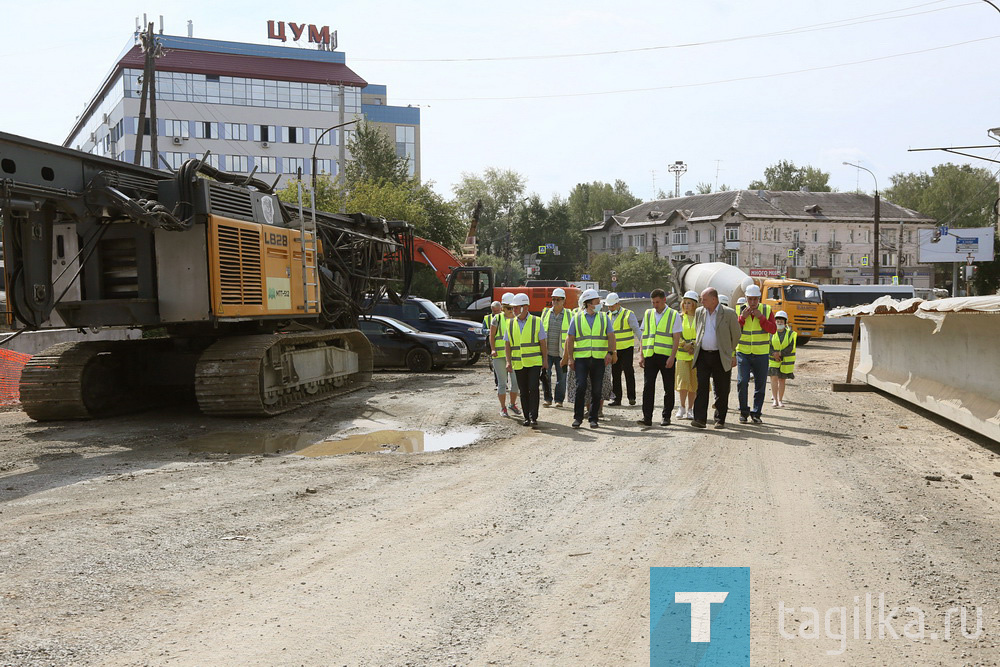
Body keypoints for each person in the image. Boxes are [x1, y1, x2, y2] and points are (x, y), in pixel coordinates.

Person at [563, 289, 616, 429]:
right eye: (597, 301)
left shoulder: (604, 318)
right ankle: (578, 418)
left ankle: (594, 418)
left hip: (599, 359)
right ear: (588, 303)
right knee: (581, 387)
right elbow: (570, 338)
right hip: (581, 359)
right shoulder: (577, 318)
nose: (599, 303)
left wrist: (610, 353)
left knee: (597, 389)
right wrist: (570, 358)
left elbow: (611, 336)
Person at [691, 287, 742, 429]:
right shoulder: (699, 312)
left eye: (704, 299)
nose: (701, 301)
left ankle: (720, 419)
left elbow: (736, 334)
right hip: (703, 355)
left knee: (722, 388)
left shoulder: (729, 313)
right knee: (701, 387)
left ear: (714, 300)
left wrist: (729, 351)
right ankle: (700, 419)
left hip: (720, 356)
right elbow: (698, 330)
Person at [636, 288, 682, 427]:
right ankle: (647, 418)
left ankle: (666, 416)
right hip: (650, 355)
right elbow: (644, 336)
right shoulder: (648, 313)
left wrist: (672, 357)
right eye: (653, 302)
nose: (655, 305)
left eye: (657, 302)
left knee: (668, 388)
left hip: (666, 356)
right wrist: (641, 354)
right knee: (648, 386)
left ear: (664, 300)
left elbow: (676, 339)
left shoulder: (674, 315)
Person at [736, 284, 776, 424]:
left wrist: (761, 318)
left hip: (761, 353)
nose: (752, 302)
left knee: (760, 385)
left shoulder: (766, 310)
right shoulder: (738, 310)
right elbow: (733, 330)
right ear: (745, 298)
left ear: (759, 298)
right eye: (750, 299)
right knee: (742, 382)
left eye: (755, 299)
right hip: (743, 352)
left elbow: (773, 330)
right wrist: (742, 318)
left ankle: (756, 413)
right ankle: (743, 412)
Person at [505, 293, 547, 427]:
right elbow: (507, 344)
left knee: (533, 388)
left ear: (525, 307)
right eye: (513, 308)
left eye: (516, 308)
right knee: (523, 391)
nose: (514, 311)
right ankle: (526, 417)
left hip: (534, 362)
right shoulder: (510, 323)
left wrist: (545, 360)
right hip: (518, 363)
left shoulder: (536, 321)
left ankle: (533, 416)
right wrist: (508, 361)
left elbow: (542, 342)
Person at [605, 292, 641, 407]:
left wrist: (643, 344)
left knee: (628, 372)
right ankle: (617, 399)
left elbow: (637, 330)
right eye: (609, 306)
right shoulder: (607, 316)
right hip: (614, 350)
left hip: (626, 348)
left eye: (612, 306)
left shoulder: (628, 314)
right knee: (615, 374)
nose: (610, 308)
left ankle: (631, 397)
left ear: (618, 304)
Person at [540, 287, 573, 408]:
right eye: (553, 299)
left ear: (564, 300)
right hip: (547, 353)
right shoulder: (546, 313)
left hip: (562, 354)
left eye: (558, 299)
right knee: (545, 376)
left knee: (562, 378)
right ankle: (547, 399)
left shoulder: (570, 314)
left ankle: (559, 400)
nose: (555, 302)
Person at [490, 292, 521, 418]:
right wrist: (492, 349)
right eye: (508, 308)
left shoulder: (518, 319)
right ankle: (503, 408)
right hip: (499, 356)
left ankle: (512, 404)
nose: (511, 310)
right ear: (502, 308)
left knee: (516, 383)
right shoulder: (497, 319)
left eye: (512, 307)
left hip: (514, 357)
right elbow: (491, 335)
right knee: (502, 383)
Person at [674, 291, 700, 420]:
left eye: (689, 303)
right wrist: (684, 345)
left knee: (694, 384)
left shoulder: (699, 318)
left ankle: (691, 408)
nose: (686, 305)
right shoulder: (679, 318)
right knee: (683, 382)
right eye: (685, 302)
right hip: (682, 356)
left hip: (695, 356)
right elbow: (675, 335)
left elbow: (702, 334)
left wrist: (693, 345)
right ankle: (682, 406)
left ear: (695, 304)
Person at [769, 310, 797, 408]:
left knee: (782, 380)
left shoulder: (791, 334)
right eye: (777, 321)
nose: (779, 322)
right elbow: (768, 345)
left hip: (785, 362)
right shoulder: (771, 333)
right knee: (774, 379)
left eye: (781, 321)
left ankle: (780, 400)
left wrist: (780, 354)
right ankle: (775, 400)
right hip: (773, 361)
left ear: (785, 322)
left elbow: (790, 347)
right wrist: (774, 354)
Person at [484, 300, 502, 386]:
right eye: (494, 311)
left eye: (497, 311)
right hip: (491, 345)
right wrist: (490, 331)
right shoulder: (487, 318)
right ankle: (498, 383)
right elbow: (482, 330)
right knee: (496, 366)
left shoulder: (505, 317)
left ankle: (502, 383)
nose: (495, 313)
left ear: (501, 309)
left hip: (503, 346)